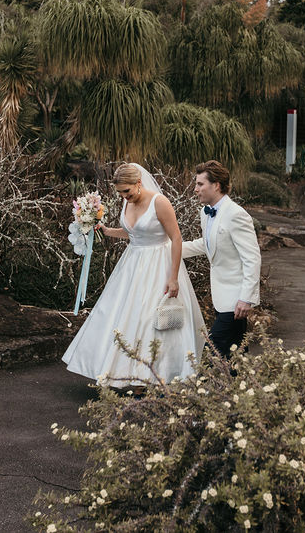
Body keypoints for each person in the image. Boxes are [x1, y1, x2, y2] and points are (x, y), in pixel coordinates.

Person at [62, 163, 205, 388]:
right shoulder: (126, 202)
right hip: (131, 265)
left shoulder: (160, 202)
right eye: (120, 193)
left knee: (151, 319)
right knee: (120, 315)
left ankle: (154, 375)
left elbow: (176, 238)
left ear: (139, 183)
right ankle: (121, 372)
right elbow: (133, 233)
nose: (124, 197)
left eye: (127, 191)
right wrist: (108, 231)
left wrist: (174, 276)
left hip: (159, 264)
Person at [182, 160, 262, 358]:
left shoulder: (236, 214)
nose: (195, 189)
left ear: (216, 185)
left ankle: (193, 388)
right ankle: (242, 386)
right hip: (221, 296)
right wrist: (171, 249)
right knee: (234, 354)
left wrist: (246, 298)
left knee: (211, 351)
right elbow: (208, 243)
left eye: (200, 184)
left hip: (236, 300)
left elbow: (252, 258)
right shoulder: (205, 212)